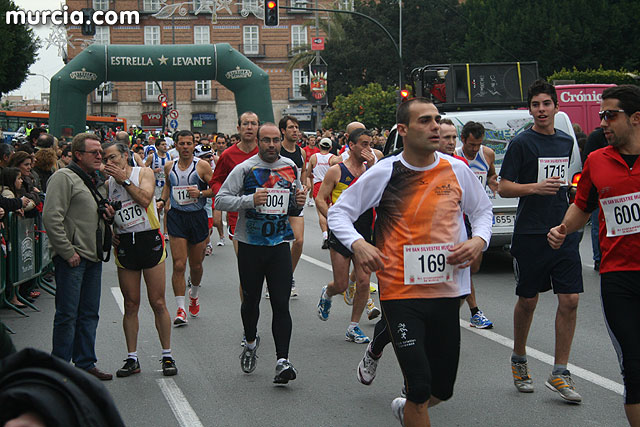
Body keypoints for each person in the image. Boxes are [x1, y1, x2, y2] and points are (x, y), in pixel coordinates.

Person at [329, 98, 492, 425]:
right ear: (403, 130)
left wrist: (478, 240)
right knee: (418, 385)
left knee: (441, 390)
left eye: (436, 120)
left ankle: (407, 410)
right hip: (401, 291)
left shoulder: (456, 169)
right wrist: (358, 244)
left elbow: (482, 211)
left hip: (447, 290)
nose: (434, 126)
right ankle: (413, 403)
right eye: (425, 121)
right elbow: (339, 212)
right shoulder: (387, 171)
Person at [548, 85, 640, 425]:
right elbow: (582, 207)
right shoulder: (597, 160)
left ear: (635, 118)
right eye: (601, 115)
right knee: (633, 365)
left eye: (610, 115)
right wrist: (562, 229)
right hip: (618, 277)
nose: (603, 122)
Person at [498, 80, 583, 403]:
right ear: (530, 109)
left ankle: (560, 372)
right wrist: (535, 187)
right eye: (536, 105)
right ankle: (519, 359)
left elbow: (568, 181)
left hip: (563, 228)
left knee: (571, 299)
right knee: (529, 300)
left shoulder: (565, 142)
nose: (542, 110)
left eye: (547, 104)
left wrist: (569, 194)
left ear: (556, 107)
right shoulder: (522, 143)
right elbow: (504, 187)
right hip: (531, 232)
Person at [215, 122, 306, 385]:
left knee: (280, 302)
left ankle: (282, 361)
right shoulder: (244, 169)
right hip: (250, 247)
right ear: (258, 141)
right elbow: (221, 200)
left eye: (275, 140)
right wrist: (249, 201)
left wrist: (297, 203)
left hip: (278, 245)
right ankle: (251, 342)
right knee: (251, 301)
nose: (271, 145)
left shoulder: (291, 168)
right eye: (266, 140)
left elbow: (292, 207)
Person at [42, 132, 116, 381]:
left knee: (89, 313)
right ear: (77, 155)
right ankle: (60, 370)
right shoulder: (63, 178)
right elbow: (52, 217)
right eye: (94, 152)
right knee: (67, 315)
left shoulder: (95, 179)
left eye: (100, 153)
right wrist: (67, 251)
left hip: (92, 257)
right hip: (73, 258)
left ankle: (85, 364)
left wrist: (108, 214)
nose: (99, 156)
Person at [102, 142, 177, 377]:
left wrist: (124, 179)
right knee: (131, 304)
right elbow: (109, 214)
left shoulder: (142, 173)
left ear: (125, 156)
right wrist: (110, 230)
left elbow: (145, 200)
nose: (109, 163)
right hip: (125, 243)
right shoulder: (107, 184)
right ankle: (132, 358)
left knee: (158, 302)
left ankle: (167, 355)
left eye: (113, 157)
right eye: (106, 159)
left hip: (148, 240)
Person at [316, 128, 382, 344]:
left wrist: (372, 168)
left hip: (363, 233)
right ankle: (328, 292)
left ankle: (353, 327)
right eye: (363, 144)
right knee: (342, 284)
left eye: (369, 144)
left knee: (364, 282)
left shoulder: (371, 169)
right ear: (351, 146)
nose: (367, 148)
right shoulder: (337, 171)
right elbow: (320, 199)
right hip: (342, 233)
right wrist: (334, 219)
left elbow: (382, 193)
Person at [158, 130, 213, 325]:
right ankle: (180, 309)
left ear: (193, 145)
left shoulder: (202, 166)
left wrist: (200, 193)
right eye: (181, 143)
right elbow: (167, 185)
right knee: (179, 264)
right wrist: (162, 200)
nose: (185, 147)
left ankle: (194, 295)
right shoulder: (169, 166)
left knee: (196, 265)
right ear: (176, 145)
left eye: (189, 143)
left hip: (197, 217)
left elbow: (215, 189)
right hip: (177, 218)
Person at [452, 121, 497, 329]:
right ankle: (475, 311)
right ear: (463, 140)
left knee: (474, 266)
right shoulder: (456, 158)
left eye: (478, 144)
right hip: (460, 215)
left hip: (477, 215)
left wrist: (494, 182)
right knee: (466, 265)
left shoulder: (487, 154)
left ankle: (453, 306)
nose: (474, 149)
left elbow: (490, 175)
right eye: (471, 145)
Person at [278, 116, 306, 297]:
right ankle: (274, 278)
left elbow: (302, 174)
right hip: (278, 201)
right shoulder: (276, 150)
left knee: (298, 241)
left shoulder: (301, 152)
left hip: (295, 201)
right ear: (283, 131)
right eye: (291, 128)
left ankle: (288, 276)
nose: (295, 130)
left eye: (297, 127)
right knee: (278, 244)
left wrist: (303, 188)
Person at [583, 127, 608, 271]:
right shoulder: (596, 137)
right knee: (598, 225)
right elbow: (588, 162)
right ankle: (599, 259)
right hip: (598, 191)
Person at [305, 137, 334, 249]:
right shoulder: (333, 158)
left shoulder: (313, 157)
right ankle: (332, 234)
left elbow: (308, 174)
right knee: (331, 210)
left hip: (318, 186)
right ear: (330, 147)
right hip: (330, 185)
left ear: (319, 146)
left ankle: (325, 236)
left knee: (321, 213)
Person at [145, 138, 173, 239]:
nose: (165, 146)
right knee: (157, 209)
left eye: (165, 144)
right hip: (156, 186)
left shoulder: (170, 156)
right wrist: (153, 170)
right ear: (157, 147)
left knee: (166, 209)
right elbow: (144, 169)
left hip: (166, 186)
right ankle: (156, 230)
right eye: (162, 144)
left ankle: (166, 232)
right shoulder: (152, 157)